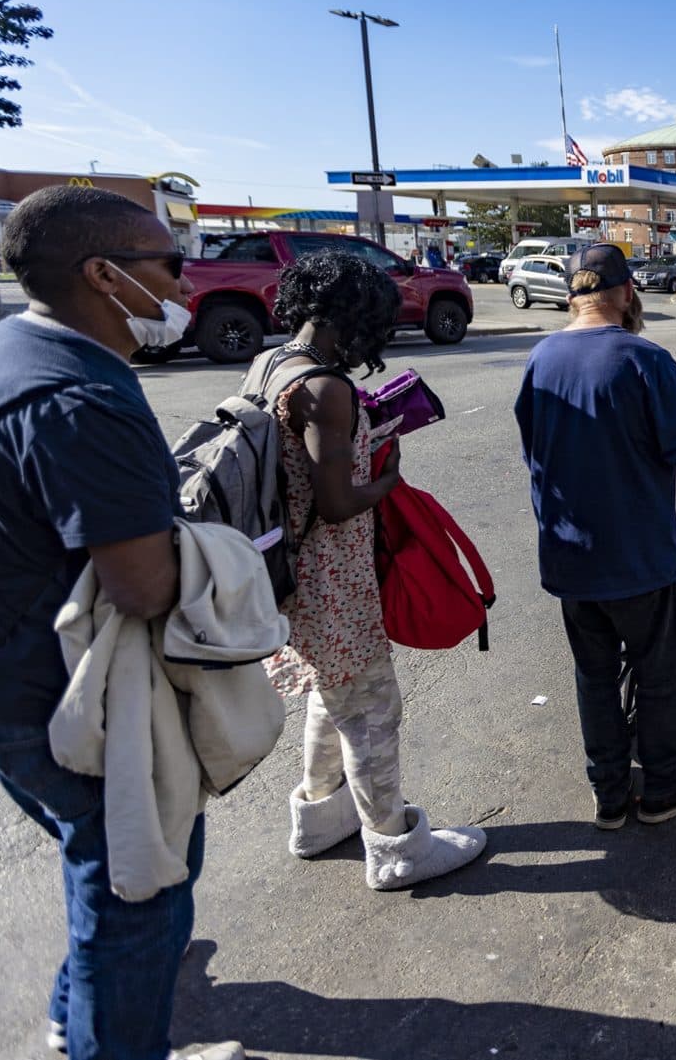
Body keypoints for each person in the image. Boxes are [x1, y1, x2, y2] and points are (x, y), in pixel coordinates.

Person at [0, 187, 244, 1060]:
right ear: (105, 275)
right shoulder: (83, 396)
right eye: (171, 264)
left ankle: (67, 1015)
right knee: (141, 893)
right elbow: (146, 584)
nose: (185, 285)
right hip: (72, 697)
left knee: (100, 868)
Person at [516, 244, 676, 828]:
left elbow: (534, 454)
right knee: (657, 675)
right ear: (628, 293)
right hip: (638, 558)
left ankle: (608, 793)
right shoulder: (644, 360)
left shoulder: (541, 358)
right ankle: (666, 786)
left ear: (573, 297)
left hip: (570, 558)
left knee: (595, 677)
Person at [262, 251, 486, 890]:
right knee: (371, 709)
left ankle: (318, 816)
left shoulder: (273, 364)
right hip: (333, 580)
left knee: (333, 698)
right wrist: (384, 479)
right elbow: (335, 502)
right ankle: (396, 848)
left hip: (294, 575)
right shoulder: (327, 389)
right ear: (356, 316)